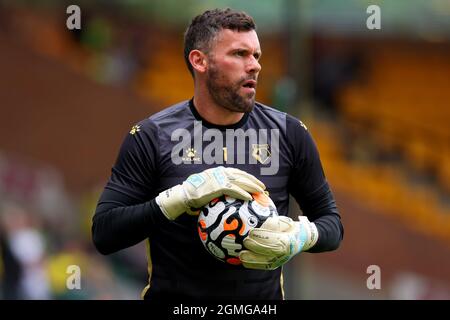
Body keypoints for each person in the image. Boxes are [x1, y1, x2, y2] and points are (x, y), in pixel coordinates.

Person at [92, 8, 343, 300]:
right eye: (239, 54)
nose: (254, 66)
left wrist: (301, 236)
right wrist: (178, 199)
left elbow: (332, 224)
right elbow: (105, 233)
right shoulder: (152, 136)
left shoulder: (289, 133)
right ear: (199, 61)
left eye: (256, 56)